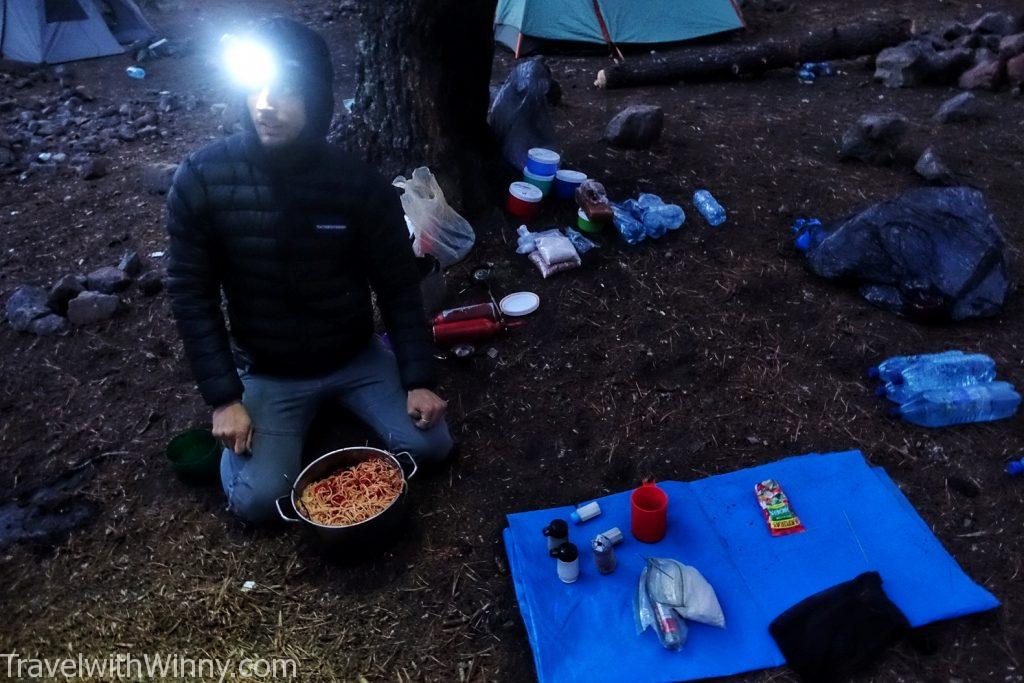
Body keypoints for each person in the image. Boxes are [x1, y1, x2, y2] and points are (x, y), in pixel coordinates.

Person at [165, 18, 452, 523]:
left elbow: (398, 286)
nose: (265, 104)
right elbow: (192, 293)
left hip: (354, 355)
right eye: (255, 87)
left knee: (430, 447)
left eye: (285, 91)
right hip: (271, 369)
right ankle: (276, 427)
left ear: (317, 99)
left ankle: (347, 403)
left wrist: (419, 377)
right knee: (257, 502)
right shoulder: (203, 180)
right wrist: (223, 398)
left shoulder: (356, 185)